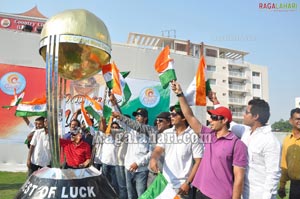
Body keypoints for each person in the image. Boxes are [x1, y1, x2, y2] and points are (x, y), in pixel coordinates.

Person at [171, 81, 248, 199]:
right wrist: (180, 94)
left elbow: (239, 178)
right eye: (210, 117)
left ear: (224, 120)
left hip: (220, 196)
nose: (210, 120)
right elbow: (189, 116)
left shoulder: (237, 145)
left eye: (214, 117)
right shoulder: (209, 135)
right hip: (201, 192)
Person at [149, 104, 203, 199]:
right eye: (170, 114)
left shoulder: (193, 136)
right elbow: (158, 150)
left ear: (184, 118)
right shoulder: (166, 133)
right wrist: (153, 159)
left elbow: (198, 162)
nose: (171, 117)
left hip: (181, 188)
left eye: (174, 114)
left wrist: (187, 183)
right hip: (164, 185)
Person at [122, 108, 152, 199]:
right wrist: (113, 103)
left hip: (141, 171)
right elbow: (120, 120)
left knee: (141, 196)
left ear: (145, 118)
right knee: (131, 196)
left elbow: (152, 152)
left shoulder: (150, 132)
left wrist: (138, 163)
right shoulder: (131, 130)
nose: (136, 118)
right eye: (136, 116)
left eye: (139, 116)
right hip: (128, 168)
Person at [278, 108, 300, 199]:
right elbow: (284, 164)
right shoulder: (287, 140)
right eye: (297, 119)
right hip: (294, 186)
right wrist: (282, 185)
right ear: (290, 120)